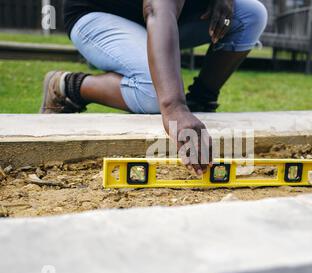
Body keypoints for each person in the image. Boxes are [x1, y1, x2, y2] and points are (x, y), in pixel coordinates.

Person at [41, 0, 268, 174]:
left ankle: (200, 100)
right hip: (98, 14)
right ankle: (66, 86)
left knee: (251, 14)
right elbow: (158, 9)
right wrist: (174, 107)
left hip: (164, 18)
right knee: (156, 92)